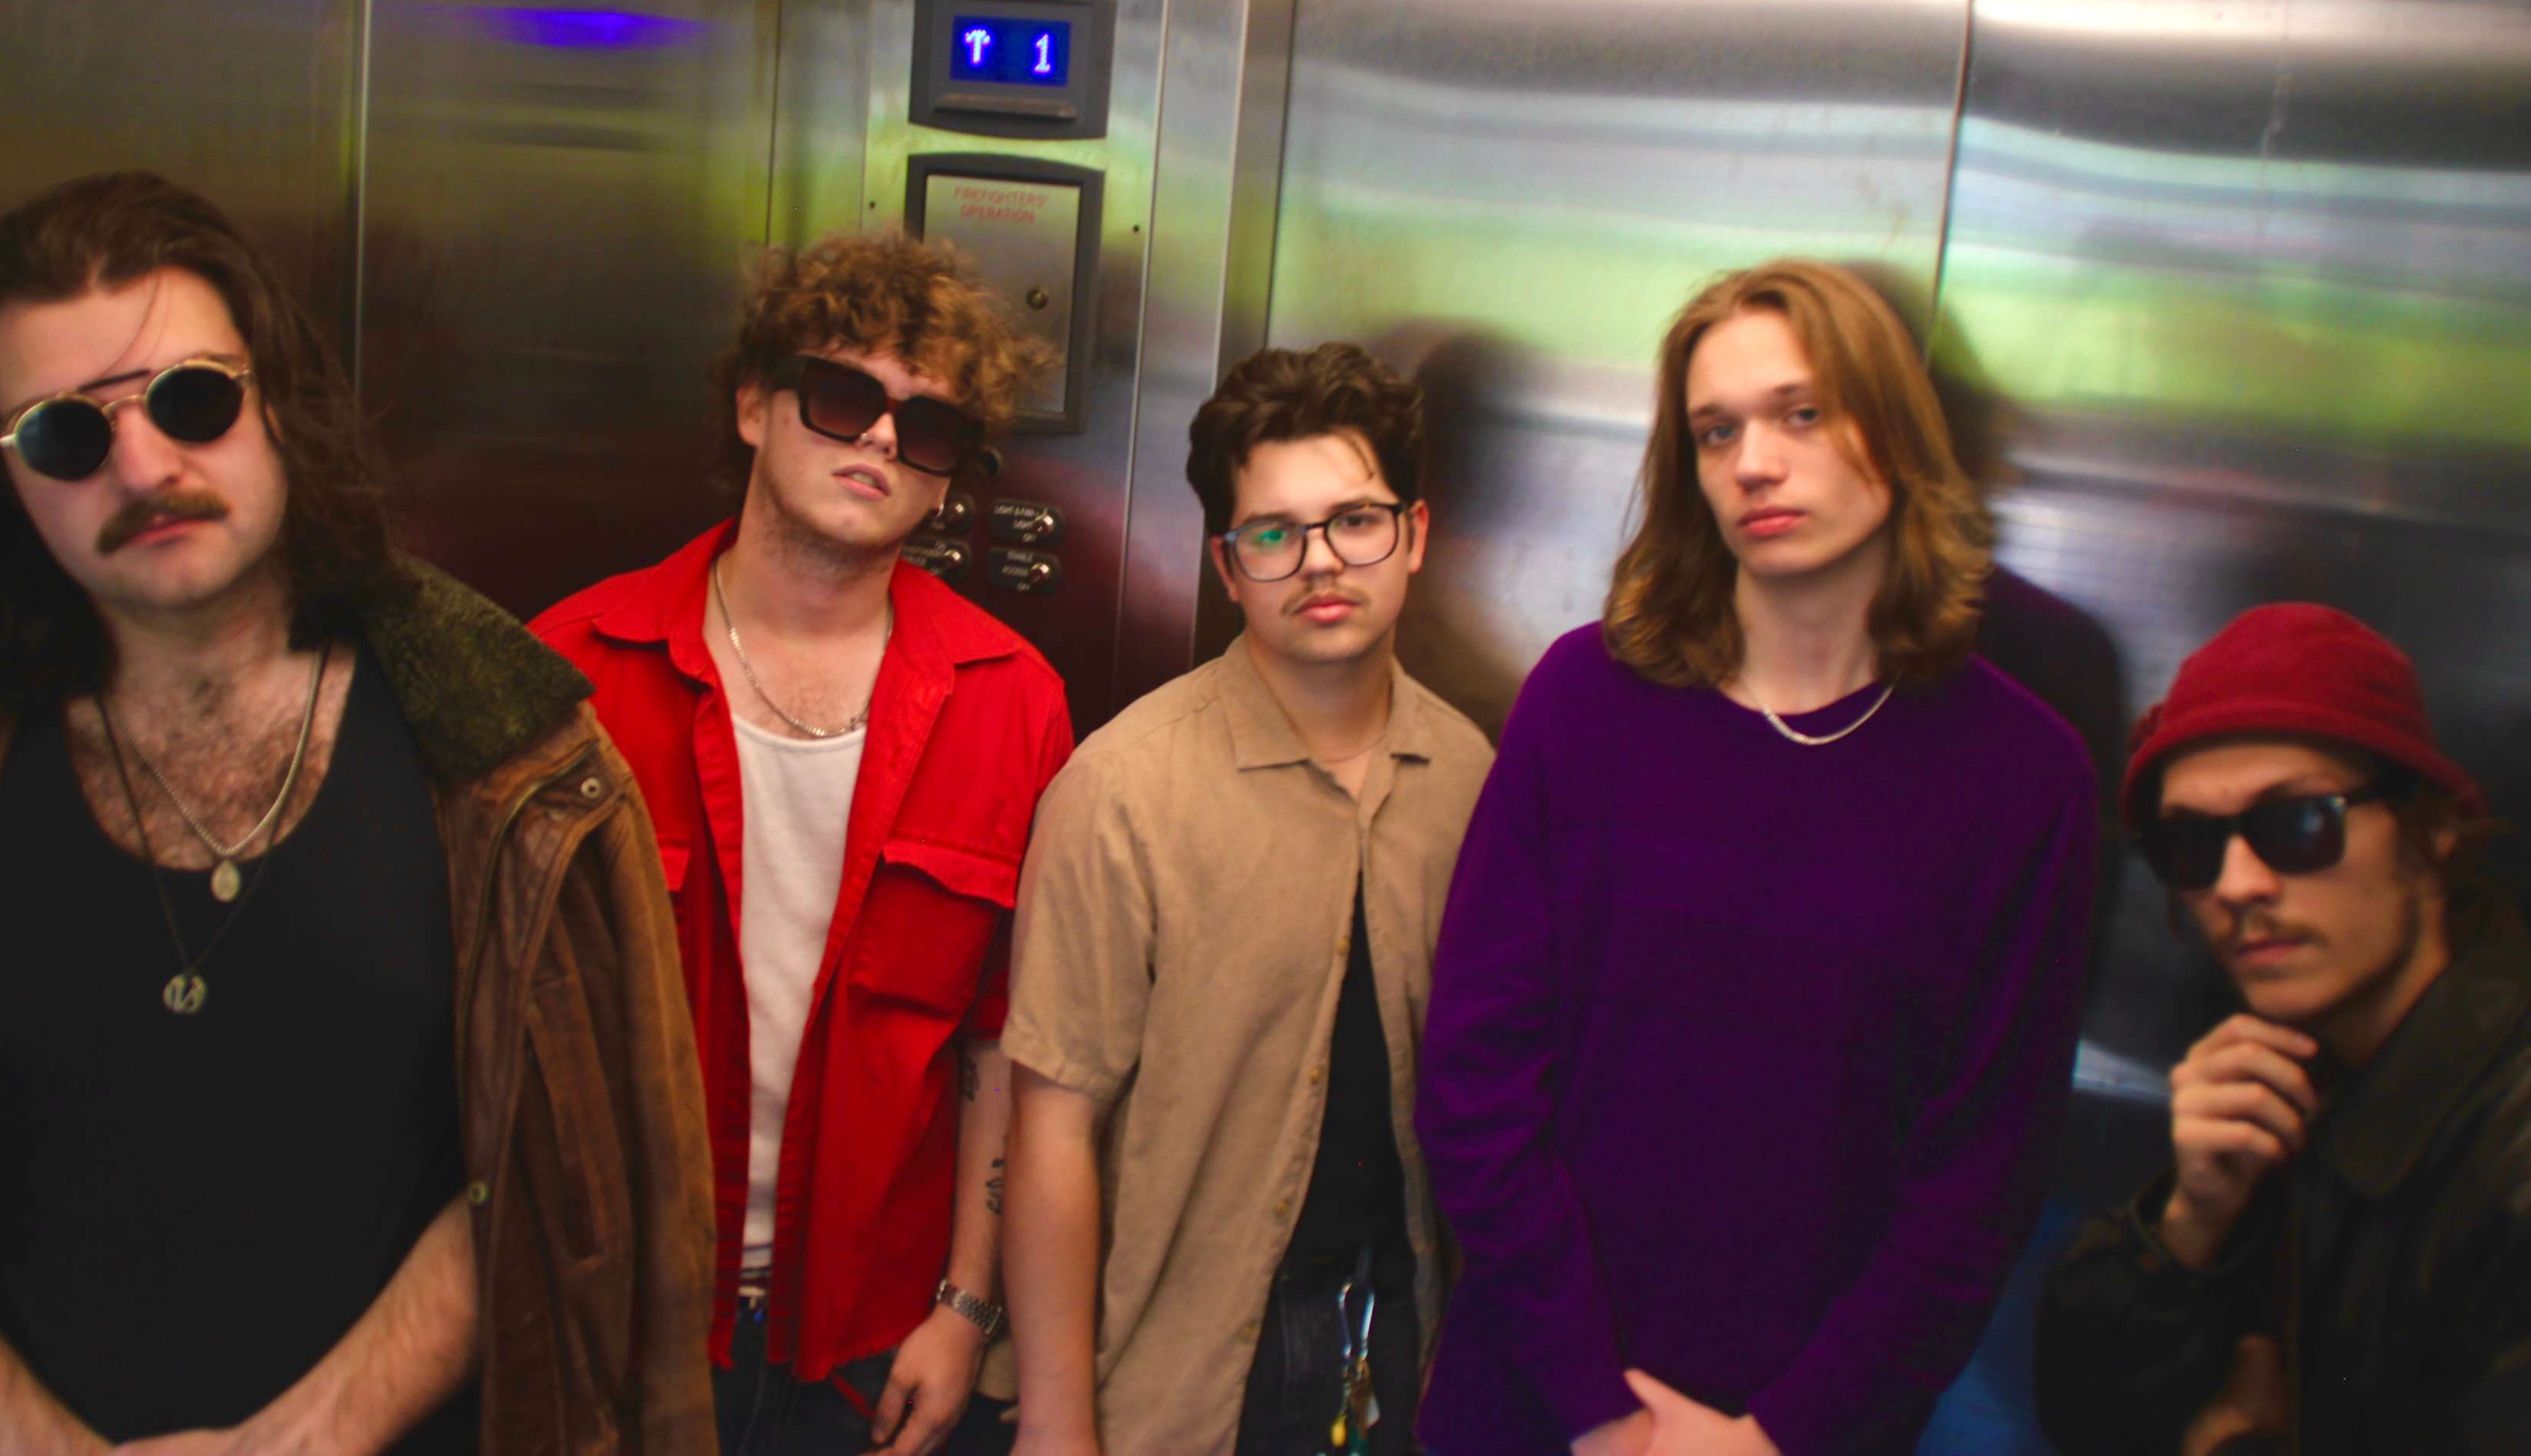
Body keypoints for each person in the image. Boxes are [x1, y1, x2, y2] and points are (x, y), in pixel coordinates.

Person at [0, 171, 714, 1454]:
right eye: (62, 434)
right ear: (3, 481)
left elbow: (556, 1161)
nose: (144, 463)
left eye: (193, 399)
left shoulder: (509, 765)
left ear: (279, 404)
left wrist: (304, 1438)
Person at [1417, 257, 2100, 1456]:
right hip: (1535, 1404)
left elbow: (1979, 1179)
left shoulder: (2022, 779)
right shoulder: (1584, 701)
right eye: (1714, 430)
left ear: (1893, 430)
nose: (1754, 462)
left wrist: (1781, 1436)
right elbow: (1476, 1087)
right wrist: (1599, 1410)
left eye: (1801, 413)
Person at [532, 230, 1071, 1456]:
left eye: (926, 428)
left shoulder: (1010, 700)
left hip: (879, 1343)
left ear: (948, 478)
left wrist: (966, 1309)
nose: (882, 440)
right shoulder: (576, 670)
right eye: (844, 398)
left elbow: (1001, 1037)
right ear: (752, 406)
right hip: (624, 1317)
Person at [1001, 342, 1494, 1456]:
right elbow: (1052, 1129)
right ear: (1228, 568)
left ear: (1415, 536)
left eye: (1355, 521)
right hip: (1184, 1375)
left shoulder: (1473, 779)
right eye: (1274, 534)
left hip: (1403, 1345)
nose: (1320, 564)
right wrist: (1054, 1422)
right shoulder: (1121, 792)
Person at [2036, 603, 2531, 1455]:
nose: (2237, 884)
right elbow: (2083, 1414)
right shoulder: (2292, 1079)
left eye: (2298, 824)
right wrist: (2189, 1223)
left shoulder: (2506, 1144)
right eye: (2191, 846)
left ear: (2434, 829)